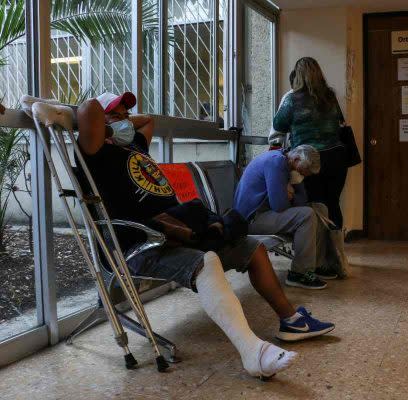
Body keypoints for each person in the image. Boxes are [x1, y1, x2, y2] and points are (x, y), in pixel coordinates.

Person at [73, 92, 336, 376]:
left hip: (181, 230)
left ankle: (291, 320)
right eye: (116, 116)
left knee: (252, 249)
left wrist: (121, 124)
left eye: (127, 116)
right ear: (101, 124)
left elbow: (147, 121)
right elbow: (88, 109)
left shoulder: (134, 146)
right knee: (207, 260)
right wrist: (86, 120)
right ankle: (252, 352)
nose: (126, 123)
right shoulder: (95, 153)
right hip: (143, 241)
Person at [234, 145, 337, 290]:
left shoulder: (287, 163)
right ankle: (299, 273)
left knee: (319, 209)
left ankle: (315, 265)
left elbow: (301, 203)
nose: (303, 175)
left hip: (264, 212)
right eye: (302, 171)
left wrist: (294, 185)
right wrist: (292, 191)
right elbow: (280, 206)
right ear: (295, 159)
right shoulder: (276, 162)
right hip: (251, 219)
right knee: (306, 215)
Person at [272, 57, 347, 228]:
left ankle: (318, 249)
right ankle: (335, 249)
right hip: (336, 156)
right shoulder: (330, 96)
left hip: (309, 158)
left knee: (315, 203)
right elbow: (339, 121)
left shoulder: (292, 99)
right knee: (333, 203)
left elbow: (278, 124)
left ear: (298, 76)